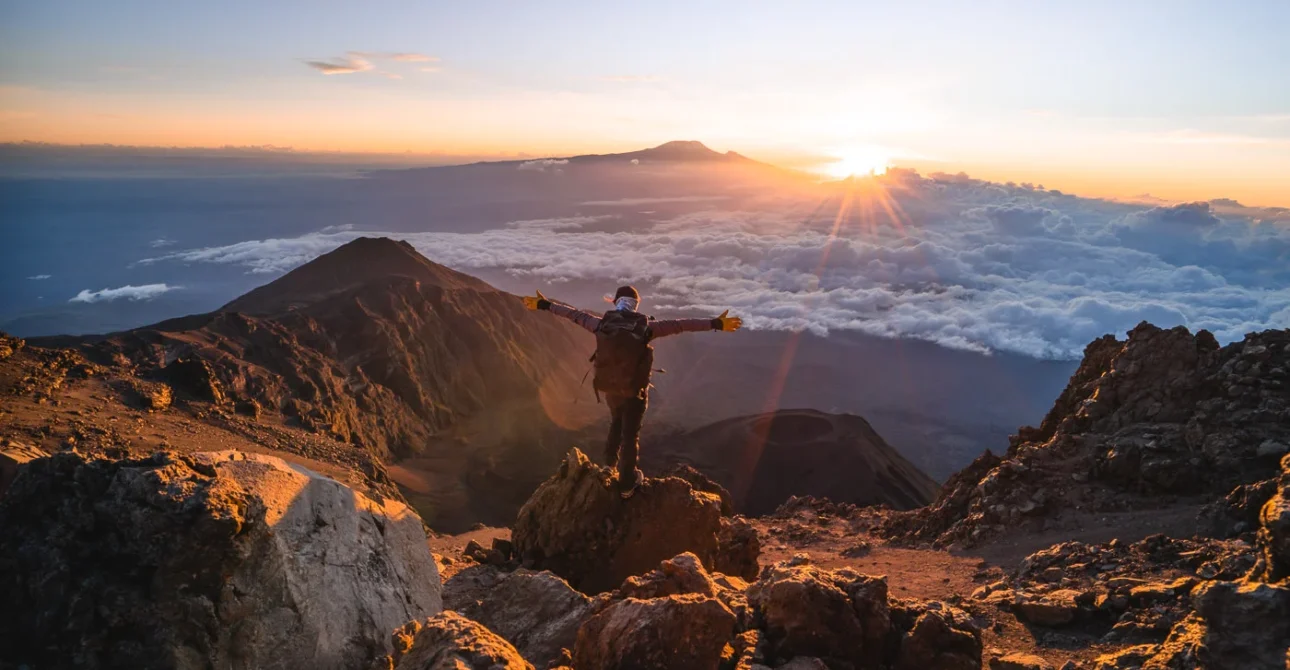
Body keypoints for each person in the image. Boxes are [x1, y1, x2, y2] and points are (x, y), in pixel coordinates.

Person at [524, 285, 742, 498]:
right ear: (636, 305)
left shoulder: (601, 324)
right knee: (630, 434)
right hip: (635, 391)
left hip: (610, 387)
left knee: (616, 424)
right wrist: (716, 323)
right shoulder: (646, 328)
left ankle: (609, 466)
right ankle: (627, 482)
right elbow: (682, 325)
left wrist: (544, 304)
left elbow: (573, 314)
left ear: (616, 302)